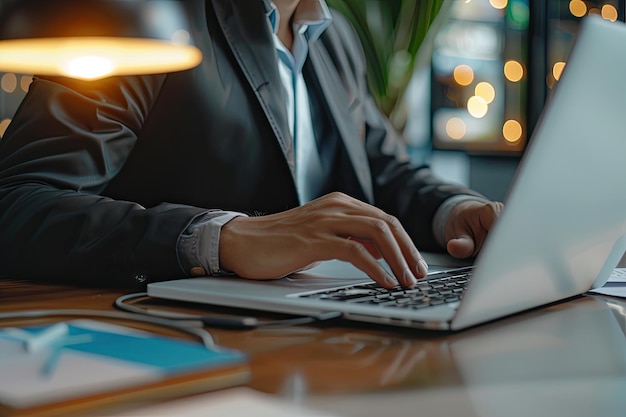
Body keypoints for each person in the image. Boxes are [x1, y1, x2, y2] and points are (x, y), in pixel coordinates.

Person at [0, 0, 503, 289]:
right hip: (177, 343)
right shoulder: (143, 17)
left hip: (323, 335)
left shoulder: (334, 35)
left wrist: (455, 210)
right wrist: (224, 239)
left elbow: (383, 167)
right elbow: (18, 203)